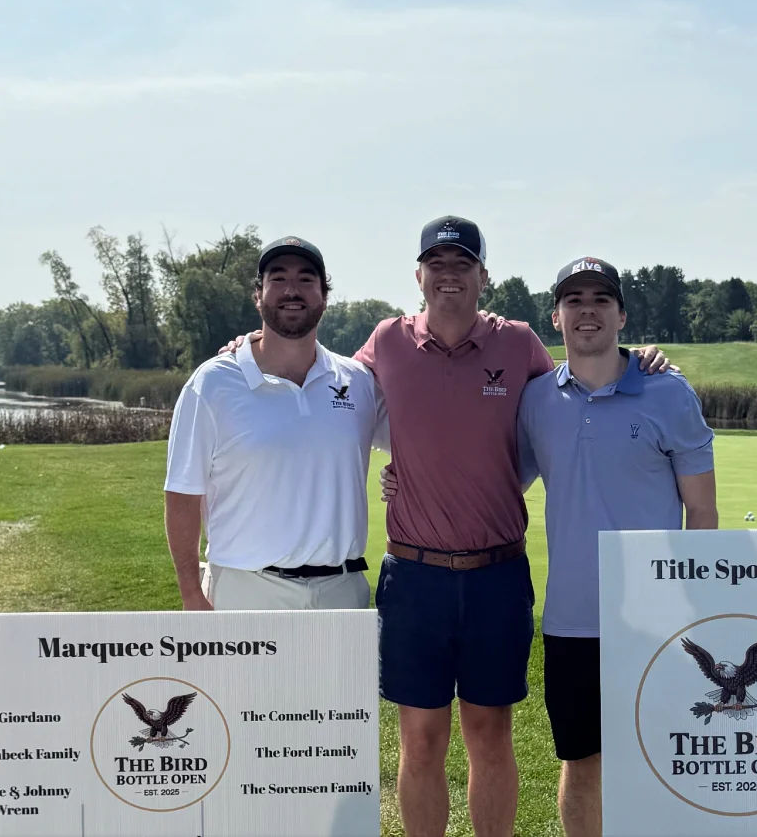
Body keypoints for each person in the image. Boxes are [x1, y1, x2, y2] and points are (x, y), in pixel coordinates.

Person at [222, 216, 671, 837]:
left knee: (490, 738)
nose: (449, 276)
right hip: (414, 576)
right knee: (421, 740)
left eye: (463, 265)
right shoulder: (386, 342)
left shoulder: (518, 345)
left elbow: (576, 389)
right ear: (419, 276)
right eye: (438, 264)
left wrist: (639, 359)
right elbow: (326, 377)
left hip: (496, 574)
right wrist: (254, 346)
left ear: (483, 277)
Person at [390, 256, 716, 837]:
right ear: (556, 316)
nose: (586, 310)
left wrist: (695, 607)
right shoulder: (538, 399)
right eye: (574, 300)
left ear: (622, 314)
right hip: (571, 621)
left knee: (664, 761)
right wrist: (409, 477)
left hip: (656, 619)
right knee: (581, 764)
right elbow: (497, 475)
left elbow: (704, 512)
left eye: (600, 299)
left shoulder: (670, 394)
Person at [164, 235, 389, 611]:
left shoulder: (358, 381)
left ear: (324, 296)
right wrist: (191, 593)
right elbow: (182, 494)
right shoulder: (213, 382)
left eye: (305, 279)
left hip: (342, 592)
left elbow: (421, 440)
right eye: (278, 278)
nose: (291, 290)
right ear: (258, 293)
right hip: (245, 590)